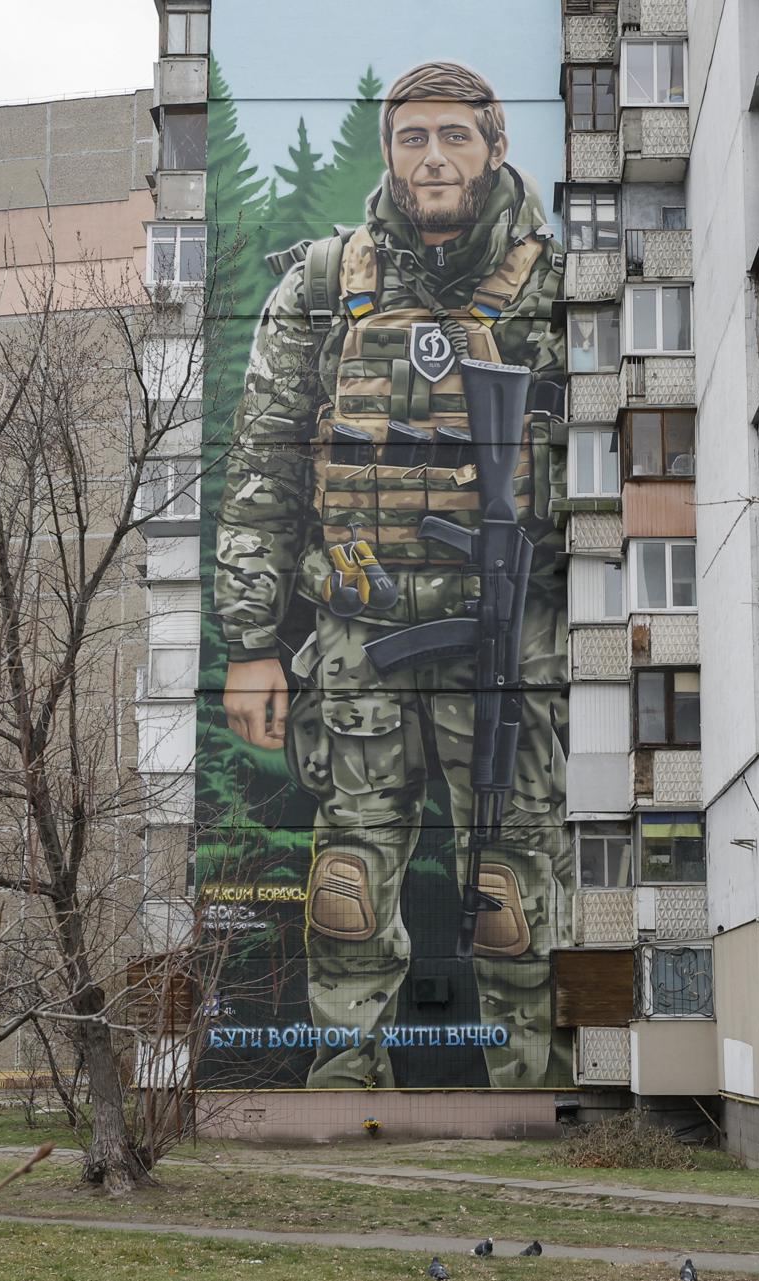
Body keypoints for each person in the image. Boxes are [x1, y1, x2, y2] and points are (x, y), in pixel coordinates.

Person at [216, 60, 570, 1090]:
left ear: (495, 147)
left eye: (455, 136)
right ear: (389, 154)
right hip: (358, 634)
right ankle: (339, 1095)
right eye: (412, 138)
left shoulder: (561, 287)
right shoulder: (322, 285)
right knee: (346, 886)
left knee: (510, 886)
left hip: (508, 635)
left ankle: (530, 1095)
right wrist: (249, 645)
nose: (433, 157)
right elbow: (264, 472)